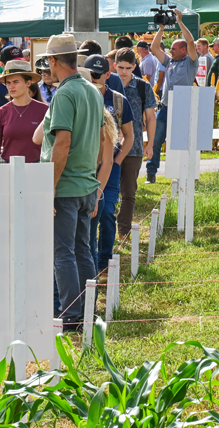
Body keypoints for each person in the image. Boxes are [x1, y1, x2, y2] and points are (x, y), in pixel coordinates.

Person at [35, 34, 103, 332]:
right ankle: (88, 309)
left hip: (65, 186)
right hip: (87, 182)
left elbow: (61, 144)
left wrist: (49, 188)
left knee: (63, 252)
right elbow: (102, 140)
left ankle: (72, 314)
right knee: (82, 250)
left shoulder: (64, 94)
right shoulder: (92, 89)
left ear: (52, 61)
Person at [86, 55, 134, 276]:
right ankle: (88, 258)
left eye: (98, 74)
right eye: (90, 74)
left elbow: (129, 136)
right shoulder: (80, 98)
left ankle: (104, 260)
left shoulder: (118, 100)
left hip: (110, 165)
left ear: (108, 75)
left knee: (106, 212)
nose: (94, 78)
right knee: (88, 214)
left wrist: (116, 160)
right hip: (84, 165)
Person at [145, 9, 199, 184]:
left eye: (174, 49)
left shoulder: (191, 62)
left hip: (183, 109)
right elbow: (154, 48)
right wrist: (161, 28)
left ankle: (181, 173)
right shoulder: (169, 62)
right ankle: (151, 174)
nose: (171, 51)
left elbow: (191, 40)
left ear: (184, 50)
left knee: (180, 143)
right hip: (165, 108)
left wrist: (180, 22)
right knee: (156, 141)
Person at [115, 48, 157, 244]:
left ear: (134, 66)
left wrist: (150, 144)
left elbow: (150, 117)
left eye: (128, 68)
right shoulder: (107, 84)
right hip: (110, 147)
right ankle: (107, 228)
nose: (124, 71)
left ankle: (123, 231)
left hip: (134, 148)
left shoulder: (143, 86)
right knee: (108, 191)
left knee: (129, 192)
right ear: (114, 65)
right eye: (120, 67)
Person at [0, 61, 48, 164]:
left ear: (28, 83)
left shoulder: (44, 110)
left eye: (16, 82)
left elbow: (52, 144)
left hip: (38, 168)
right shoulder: (0, 112)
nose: (11, 86)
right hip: (8, 169)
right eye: (8, 83)